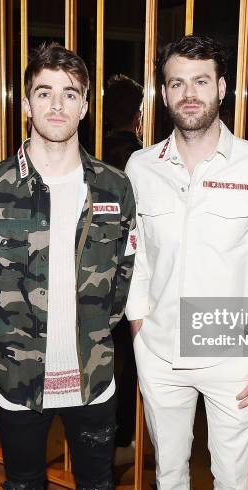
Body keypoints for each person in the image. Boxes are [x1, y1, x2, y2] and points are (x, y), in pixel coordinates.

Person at [124, 35, 248, 489]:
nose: (189, 94)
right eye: (177, 83)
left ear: (222, 89)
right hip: (159, 352)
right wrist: (137, 324)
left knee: (232, 480)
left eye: (201, 82)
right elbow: (135, 257)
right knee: (168, 475)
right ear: (164, 93)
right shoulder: (140, 167)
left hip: (235, 361)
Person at [0, 42, 137, 490]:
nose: (56, 105)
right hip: (18, 380)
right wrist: (7, 340)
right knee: (24, 484)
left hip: (93, 378)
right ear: (26, 104)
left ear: (85, 106)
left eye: (70, 93)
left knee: (97, 485)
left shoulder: (115, 188)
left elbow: (123, 276)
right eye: (44, 92)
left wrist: (95, 331)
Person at [102, 73, 144, 465]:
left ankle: (97, 433)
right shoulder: (142, 159)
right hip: (132, 275)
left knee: (99, 357)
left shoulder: (89, 154)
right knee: (132, 359)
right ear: (138, 112)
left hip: (95, 274)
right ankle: (124, 438)